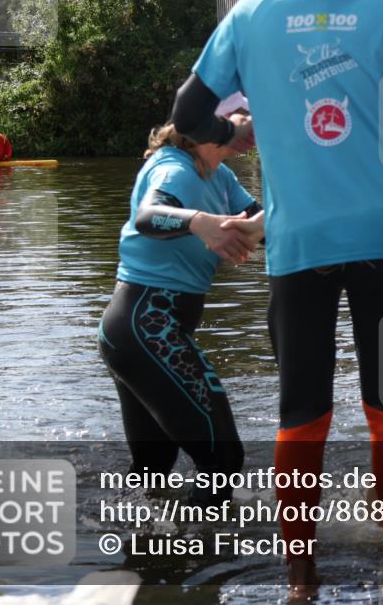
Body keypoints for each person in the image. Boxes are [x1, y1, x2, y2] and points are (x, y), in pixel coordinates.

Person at [170, 0, 383, 598]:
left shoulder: (250, 17)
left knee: (302, 413)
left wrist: (237, 133)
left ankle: (300, 578)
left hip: (299, 240)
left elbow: (186, 112)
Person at [97, 119, 263, 505]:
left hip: (137, 331)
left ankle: (147, 555)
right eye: (243, 117)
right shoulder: (176, 168)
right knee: (222, 459)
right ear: (209, 122)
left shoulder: (218, 175)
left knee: (153, 472)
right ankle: (211, 558)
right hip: (147, 327)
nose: (254, 125)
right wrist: (197, 221)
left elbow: (264, 227)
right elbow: (147, 216)